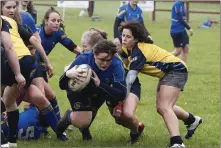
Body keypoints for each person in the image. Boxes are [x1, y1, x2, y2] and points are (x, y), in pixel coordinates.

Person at [119, 21, 202, 147]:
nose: (124, 39)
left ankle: (177, 143)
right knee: (162, 107)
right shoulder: (127, 48)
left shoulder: (139, 51)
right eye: (123, 35)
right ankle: (192, 120)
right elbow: (125, 62)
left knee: (165, 107)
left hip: (176, 69)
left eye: (128, 36)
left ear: (136, 38)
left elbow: (130, 78)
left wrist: (123, 98)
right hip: (167, 72)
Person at [78, 28, 145, 144]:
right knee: (118, 119)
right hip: (110, 88)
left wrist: (119, 102)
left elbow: (120, 90)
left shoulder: (113, 61)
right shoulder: (86, 58)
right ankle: (84, 131)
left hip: (127, 86)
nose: (83, 50)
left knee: (127, 115)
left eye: (85, 47)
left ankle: (135, 134)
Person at [56, 40, 127, 139]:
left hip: (100, 88)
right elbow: (61, 85)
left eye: (108, 60)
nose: (105, 63)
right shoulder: (82, 59)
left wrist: (100, 84)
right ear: (94, 54)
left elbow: (121, 94)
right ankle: (63, 124)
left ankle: (85, 131)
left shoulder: (117, 64)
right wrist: (67, 74)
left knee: (91, 113)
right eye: (102, 59)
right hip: (79, 90)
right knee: (82, 121)